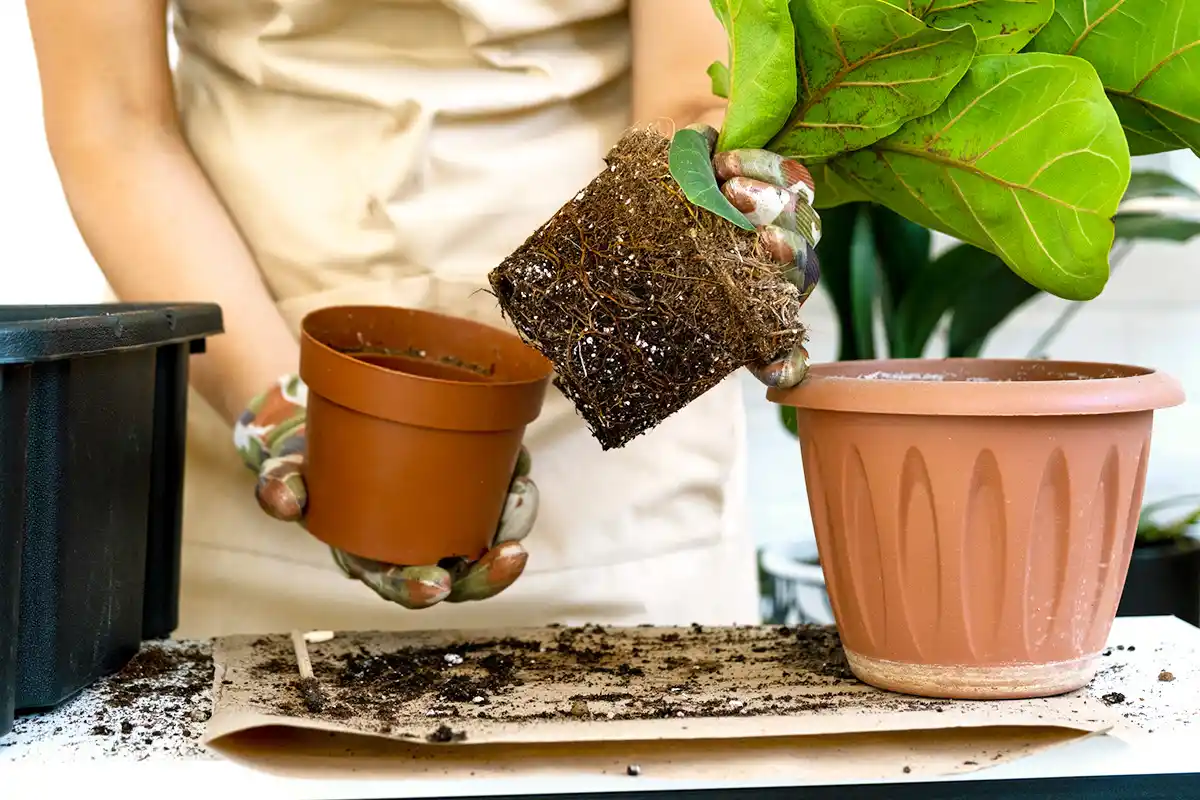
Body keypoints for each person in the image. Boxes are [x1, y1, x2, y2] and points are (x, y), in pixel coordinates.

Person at [26, 0, 821, 638]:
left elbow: (695, 82)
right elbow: (114, 119)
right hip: (243, 387)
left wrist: (716, 209)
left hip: (608, 480)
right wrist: (283, 414)